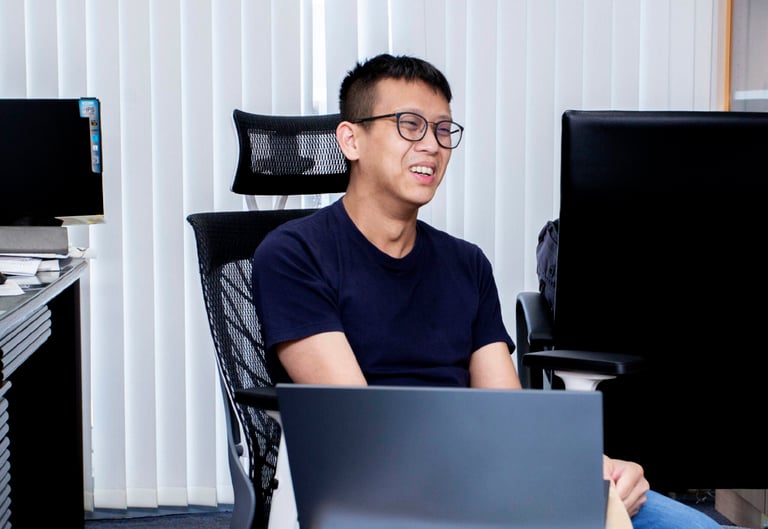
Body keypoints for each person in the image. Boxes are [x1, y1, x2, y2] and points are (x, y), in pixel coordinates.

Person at [252, 53, 721, 529]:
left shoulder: (466, 263)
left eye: (443, 130)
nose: (432, 145)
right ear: (351, 139)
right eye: (410, 125)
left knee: (694, 524)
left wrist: (589, 465)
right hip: (386, 490)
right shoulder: (293, 256)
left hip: (486, 476)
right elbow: (363, 428)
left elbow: (507, 414)